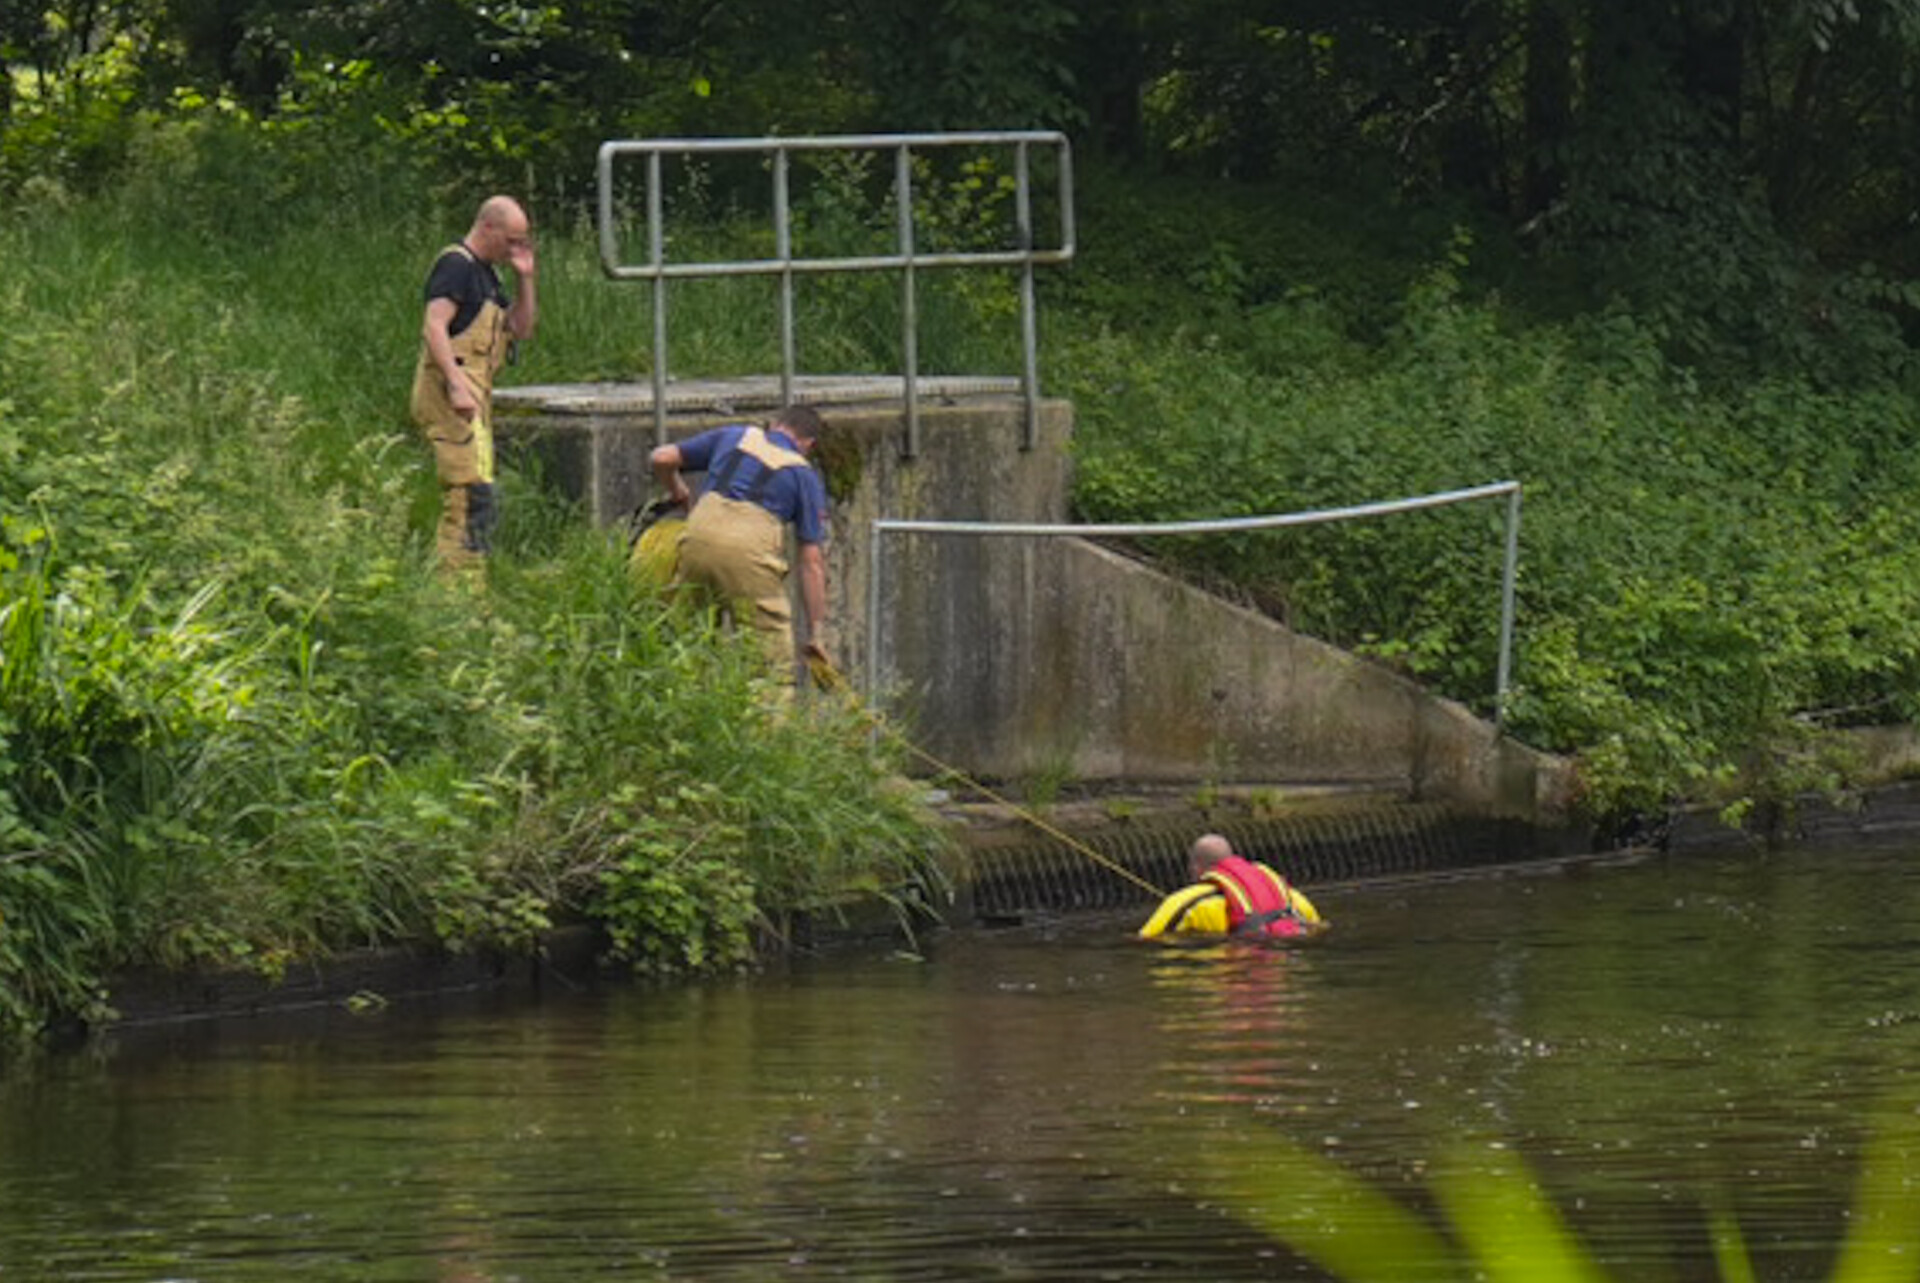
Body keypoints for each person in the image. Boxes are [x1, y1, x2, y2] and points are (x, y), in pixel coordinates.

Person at [649, 405, 833, 680]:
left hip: (697, 539)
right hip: (748, 554)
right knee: (770, 664)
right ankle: (770, 720)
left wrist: (678, 490)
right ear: (810, 444)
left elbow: (662, 457)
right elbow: (812, 562)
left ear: (773, 424)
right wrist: (816, 632)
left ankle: (679, 710)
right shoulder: (803, 475)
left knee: (687, 642)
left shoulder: (734, 435)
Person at [410, 195, 539, 574]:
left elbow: (523, 328)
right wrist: (455, 385)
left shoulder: (490, 274)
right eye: (512, 240)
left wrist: (525, 277)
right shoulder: (456, 265)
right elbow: (434, 326)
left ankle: (470, 584)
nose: (515, 248)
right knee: (469, 494)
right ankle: (456, 596)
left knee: (481, 491)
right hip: (450, 399)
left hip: (475, 400)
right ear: (488, 228)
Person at [1138, 833, 1325, 940]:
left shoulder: (1186, 902)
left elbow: (1145, 939)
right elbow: (1318, 927)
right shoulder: (1290, 898)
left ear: (1195, 867)